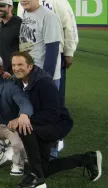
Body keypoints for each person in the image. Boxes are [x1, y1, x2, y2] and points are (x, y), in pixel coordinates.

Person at [10, 52, 102, 187]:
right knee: (44, 169)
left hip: (58, 123)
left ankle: (36, 177)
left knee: (25, 128)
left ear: (30, 66)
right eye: (13, 65)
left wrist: (25, 118)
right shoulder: (19, 79)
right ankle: (88, 158)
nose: (16, 68)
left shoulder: (44, 82)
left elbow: (52, 114)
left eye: (20, 64)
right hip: (41, 123)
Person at [18, 0, 62, 84]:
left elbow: (52, 49)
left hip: (42, 73)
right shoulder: (24, 13)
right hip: (28, 71)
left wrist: (46, 78)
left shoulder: (48, 16)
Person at [0, 0, 21, 72]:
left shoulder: (19, 23)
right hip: (4, 70)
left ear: (11, 7)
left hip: (16, 70)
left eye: (2, 6)